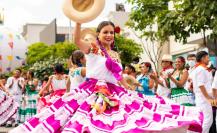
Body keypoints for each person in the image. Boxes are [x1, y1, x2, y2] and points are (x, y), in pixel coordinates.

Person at [10, 21, 202, 133]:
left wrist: (128, 88)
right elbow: (77, 40)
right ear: (98, 35)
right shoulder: (93, 49)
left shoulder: (116, 55)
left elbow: (117, 76)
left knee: (127, 123)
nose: (109, 35)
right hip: (91, 92)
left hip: (116, 92)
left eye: (111, 32)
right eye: (105, 32)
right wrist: (78, 21)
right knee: (87, 124)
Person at [192, 51, 215, 133]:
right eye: (207, 57)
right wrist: (208, 98)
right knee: (208, 121)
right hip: (203, 98)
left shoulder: (197, 69)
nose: (208, 59)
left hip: (200, 97)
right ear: (202, 58)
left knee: (204, 120)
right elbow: (201, 85)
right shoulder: (201, 69)